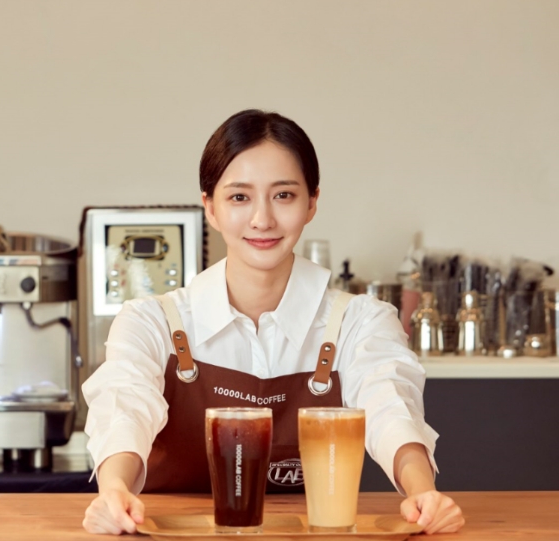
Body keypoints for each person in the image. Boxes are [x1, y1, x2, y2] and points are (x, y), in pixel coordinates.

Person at [80, 110, 464, 535]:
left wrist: (422, 491)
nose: (262, 220)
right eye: (239, 197)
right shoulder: (151, 321)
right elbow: (124, 406)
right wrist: (113, 489)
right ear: (210, 206)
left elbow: (389, 405)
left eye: (283, 195)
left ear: (312, 202)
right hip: (171, 531)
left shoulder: (359, 321)